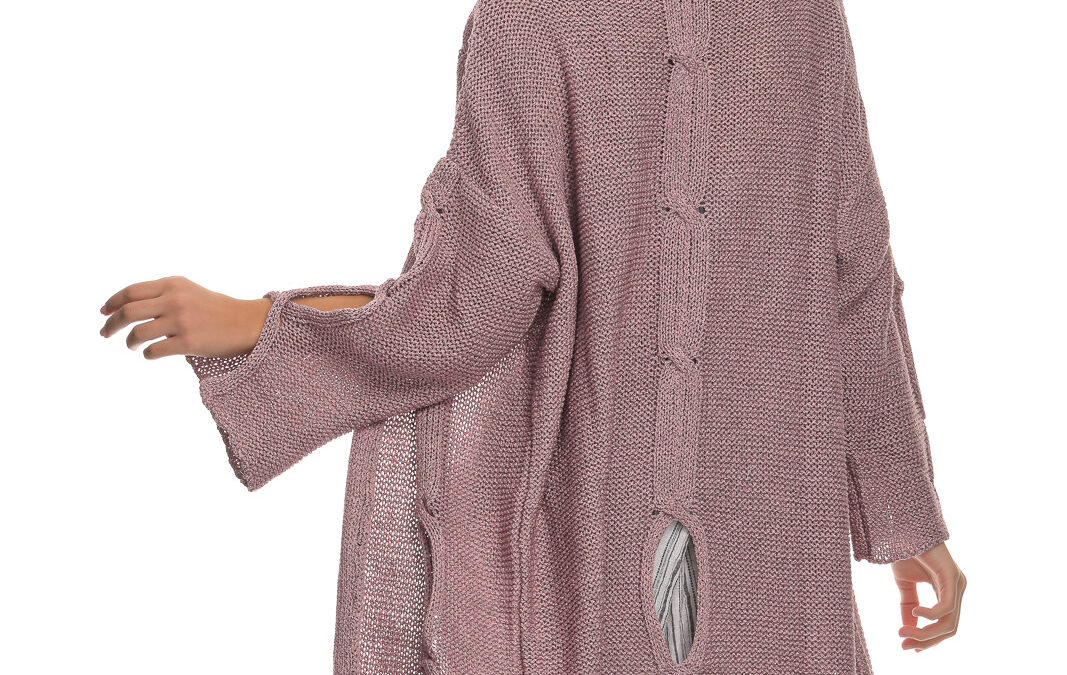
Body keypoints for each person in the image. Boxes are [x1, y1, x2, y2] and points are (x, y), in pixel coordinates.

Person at [99, 0, 965, 672]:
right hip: (767, 536)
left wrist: (261, 327)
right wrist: (906, 519)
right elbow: (857, 285)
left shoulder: (541, 18)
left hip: (613, 533)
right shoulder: (800, 17)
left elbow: (465, 303)